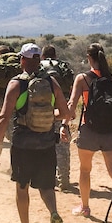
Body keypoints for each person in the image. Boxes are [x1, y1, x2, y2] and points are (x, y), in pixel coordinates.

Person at [0, 43, 72, 223]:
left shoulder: (17, 84)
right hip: (46, 142)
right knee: (46, 186)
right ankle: (53, 213)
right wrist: (47, 115)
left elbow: (3, 117)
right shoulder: (51, 82)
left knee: (22, 187)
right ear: (39, 60)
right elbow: (66, 113)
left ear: (23, 60)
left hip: (23, 144)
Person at [67, 43, 112, 223]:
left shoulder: (82, 79)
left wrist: (64, 123)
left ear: (89, 58)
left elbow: (72, 106)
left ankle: (85, 206)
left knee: (84, 170)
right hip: (110, 131)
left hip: (89, 130)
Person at [40, 44, 74, 192]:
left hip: (43, 109)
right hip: (63, 107)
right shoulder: (63, 67)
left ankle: (49, 178)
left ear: (42, 55)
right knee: (63, 145)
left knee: (44, 145)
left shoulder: (39, 67)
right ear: (55, 55)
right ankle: (64, 180)